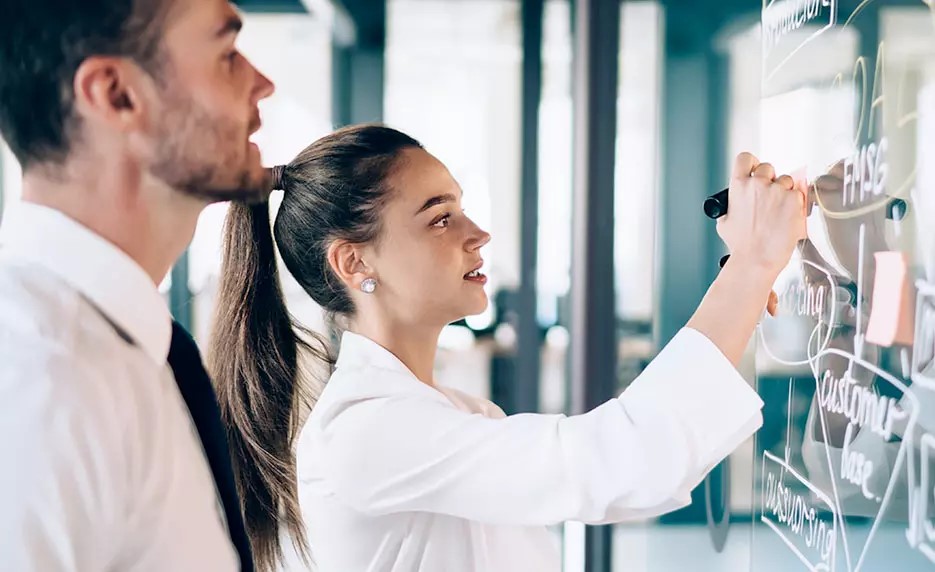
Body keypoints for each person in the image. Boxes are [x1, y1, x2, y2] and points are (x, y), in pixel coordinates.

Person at [208, 123, 807, 572]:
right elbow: (621, 459)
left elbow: (626, 469)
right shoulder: (367, 431)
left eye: (461, 209)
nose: (478, 235)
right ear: (353, 261)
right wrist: (749, 268)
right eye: (440, 218)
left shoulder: (456, 414)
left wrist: (745, 292)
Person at [0, 0, 276, 569]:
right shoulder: (42, 374)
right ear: (117, 95)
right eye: (227, 55)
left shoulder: (120, 352)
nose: (262, 83)